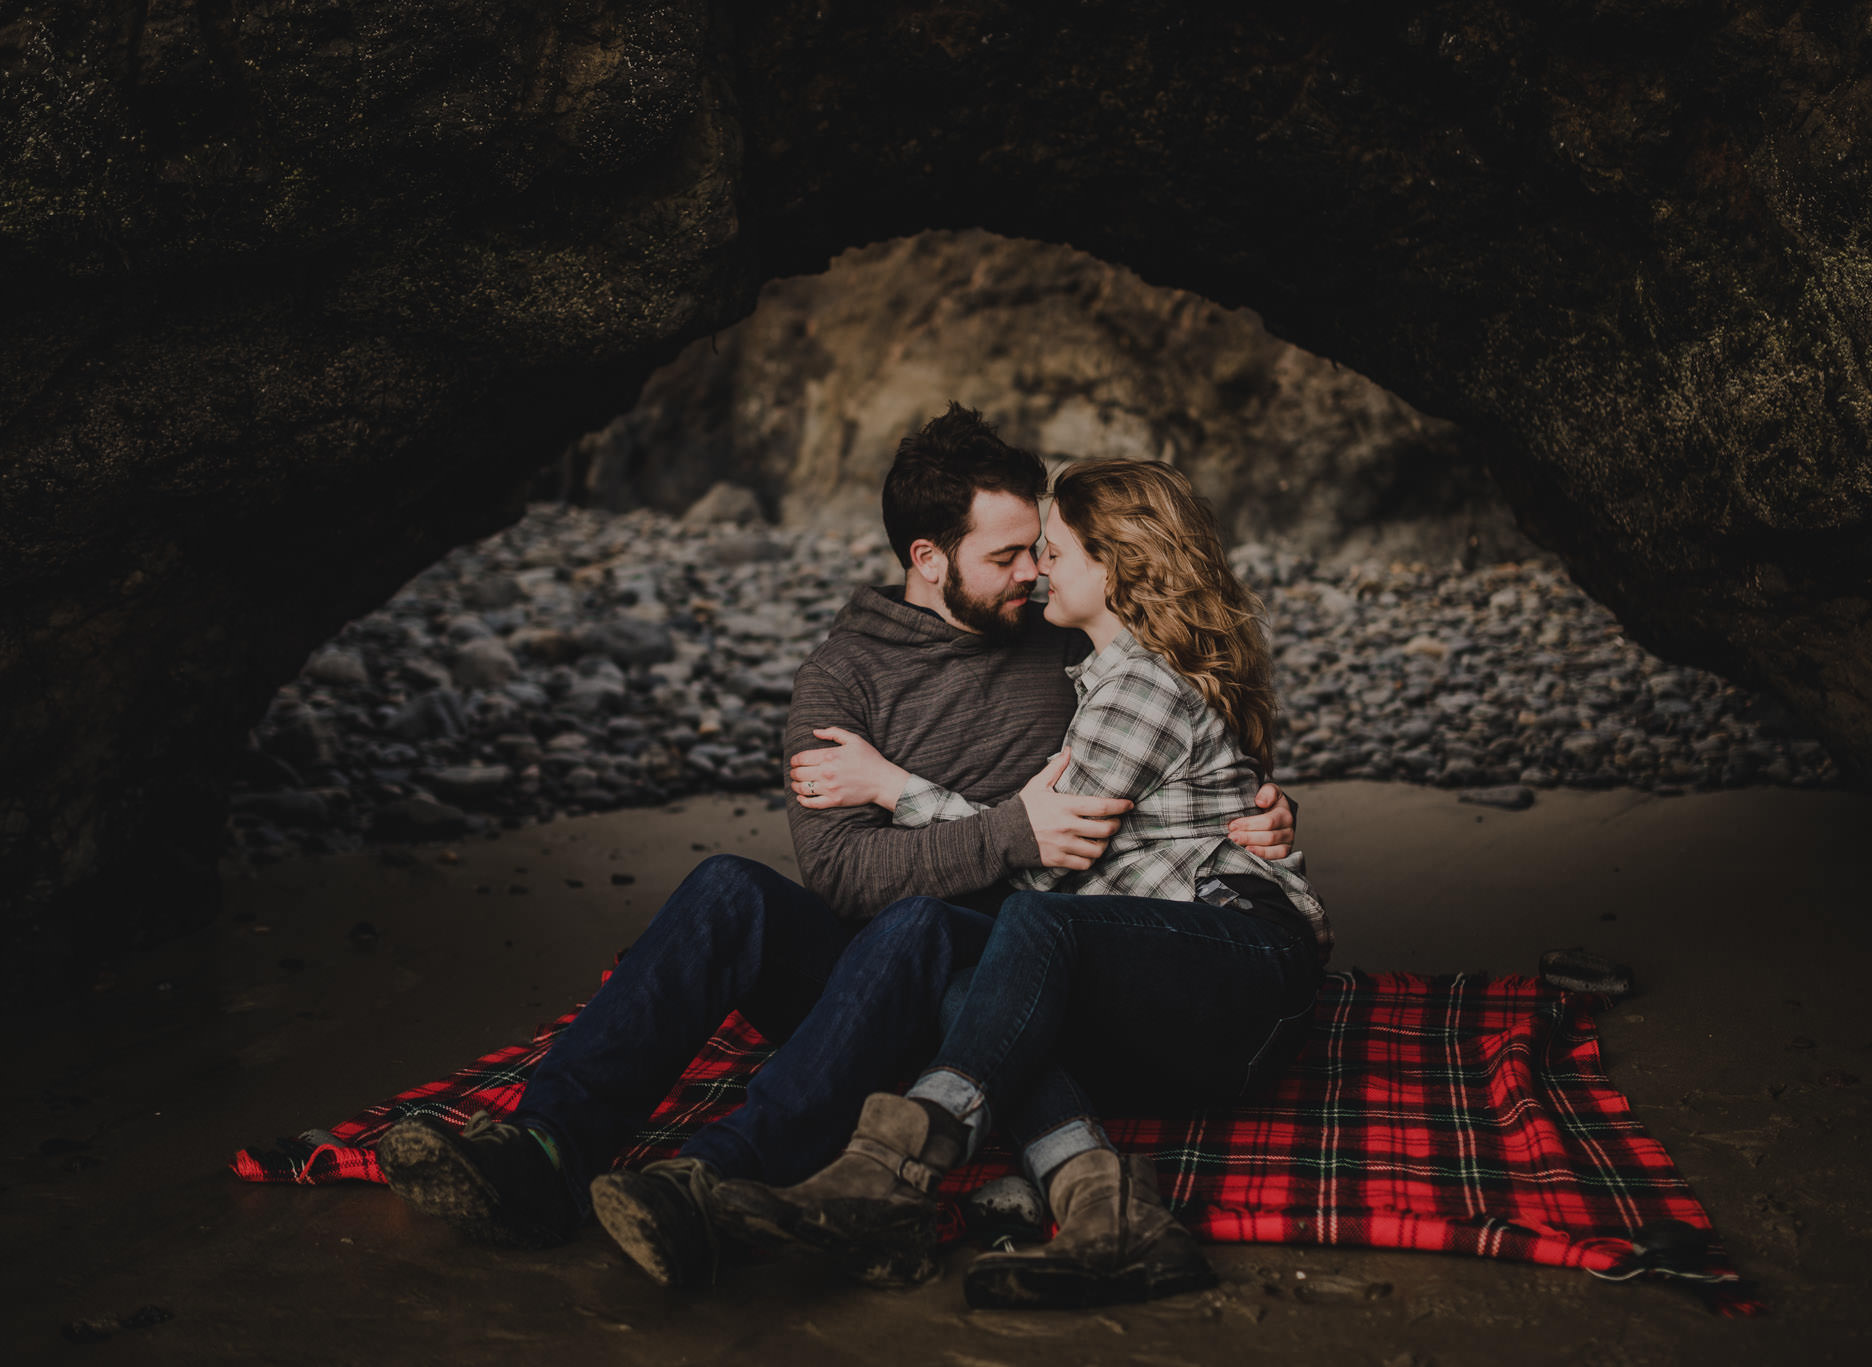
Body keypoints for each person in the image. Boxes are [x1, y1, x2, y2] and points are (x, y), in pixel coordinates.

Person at [375, 408, 1300, 1290]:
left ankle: (714, 1179)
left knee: (925, 925)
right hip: (905, 957)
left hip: (1018, 968)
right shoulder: (841, 679)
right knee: (729, 887)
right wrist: (1009, 830)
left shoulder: (1061, 642)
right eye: (1008, 554)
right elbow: (844, 874)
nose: (1031, 574)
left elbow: (1179, 724)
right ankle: (544, 1149)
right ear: (928, 558)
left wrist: (1262, 809)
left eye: (1041, 550)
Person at [707, 459, 1331, 1310]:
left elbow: (1040, 858)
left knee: (1034, 918)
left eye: (1057, 550)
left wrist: (892, 786)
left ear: (1114, 568)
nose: (1040, 571)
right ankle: (1115, 1216)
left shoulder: (1139, 684)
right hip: (1179, 978)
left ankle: (895, 1167)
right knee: (976, 972)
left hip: (1249, 973)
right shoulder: (1101, 673)